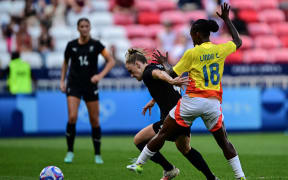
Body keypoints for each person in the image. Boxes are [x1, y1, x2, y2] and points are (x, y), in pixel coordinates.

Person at [127, 3, 246, 180]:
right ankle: (240, 176)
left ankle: (139, 163)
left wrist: (165, 65)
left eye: (192, 35)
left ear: (197, 34)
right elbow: (238, 42)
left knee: (163, 133)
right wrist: (227, 20)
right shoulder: (220, 48)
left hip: (192, 101)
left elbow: (172, 75)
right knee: (224, 142)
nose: (191, 38)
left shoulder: (192, 53)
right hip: (213, 103)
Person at [125, 49, 220, 180]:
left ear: (137, 64)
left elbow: (159, 75)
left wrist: (171, 80)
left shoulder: (148, 72)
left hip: (173, 118)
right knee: (185, 148)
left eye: (131, 71)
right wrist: (153, 100)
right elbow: (162, 79)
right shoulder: (159, 66)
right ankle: (211, 178)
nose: (131, 75)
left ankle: (168, 169)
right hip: (182, 113)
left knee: (139, 140)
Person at [60, 18, 115, 164]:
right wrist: (62, 81)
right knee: (72, 117)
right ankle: (70, 152)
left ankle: (97, 154)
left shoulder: (96, 45)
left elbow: (111, 61)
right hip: (74, 85)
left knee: (94, 120)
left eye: (86, 26)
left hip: (90, 86)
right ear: (78, 28)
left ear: (90, 28)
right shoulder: (71, 45)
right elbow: (65, 63)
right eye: (82, 26)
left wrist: (100, 75)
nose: (84, 28)